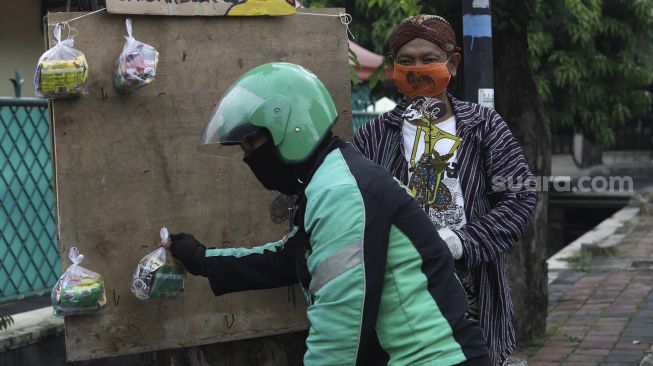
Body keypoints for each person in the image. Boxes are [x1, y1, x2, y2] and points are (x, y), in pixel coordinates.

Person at [162, 62, 492, 365]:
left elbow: (341, 326)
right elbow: (289, 256)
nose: (249, 158)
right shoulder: (331, 180)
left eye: (251, 145)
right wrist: (204, 260)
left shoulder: (340, 192)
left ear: (287, 128)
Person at [352, 15, 537, 366]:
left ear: (452, 63)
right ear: (393, 68)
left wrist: (461, 241)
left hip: (473, 292)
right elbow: (353, 207)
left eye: (429, 59)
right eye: (406, 61)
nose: (417, 68)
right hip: (400, 294)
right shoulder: (373, 137)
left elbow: (521, 195)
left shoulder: (483, 126)